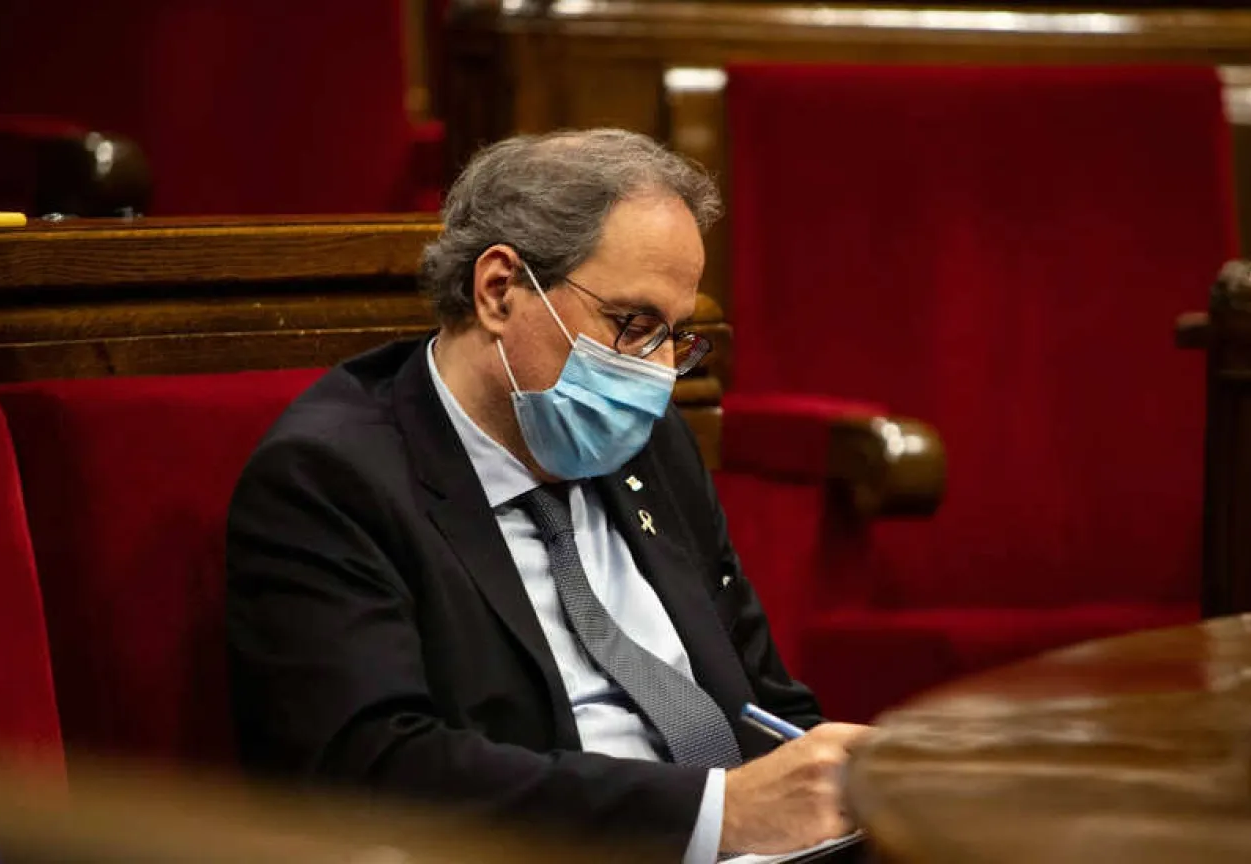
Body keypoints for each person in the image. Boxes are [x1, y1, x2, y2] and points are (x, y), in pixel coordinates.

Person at [225, 129, 870, 862]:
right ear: (499, 290)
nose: (660, 374)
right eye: (633, 326)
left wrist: (849, 786)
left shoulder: (651, 445)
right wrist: (716, 815)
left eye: (676, 336)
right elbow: (374, 772)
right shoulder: (330, 480)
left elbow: (765, 701)